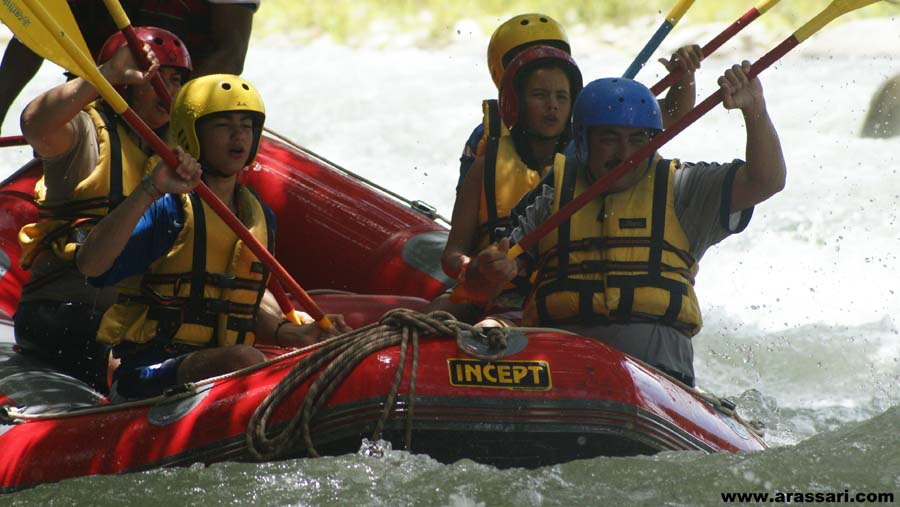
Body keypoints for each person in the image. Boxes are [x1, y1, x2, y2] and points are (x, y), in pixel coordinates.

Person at [464, 63, 786, 386]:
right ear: (583, 141)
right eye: (609, 139)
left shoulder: (683, 190)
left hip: (658, 374)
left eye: (637, 140)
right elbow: (484, 287)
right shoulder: (550, 200)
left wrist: (755, 111)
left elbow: (766, 181)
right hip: (561, 370)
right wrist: (487, 271)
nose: (625, 154)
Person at [75, 74, 350, 400]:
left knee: (311, 363)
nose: (238, 135)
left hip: (218, 369)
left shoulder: (258, 215)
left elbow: (236, 304)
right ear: (192, 134)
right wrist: (150, 189)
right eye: (223, 125)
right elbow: (91, 266)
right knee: (244, 359)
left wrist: (292, 333)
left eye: (246, 126)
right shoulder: (170, 206)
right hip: (148, 371)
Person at [14, 28, 192, 393]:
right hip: (61, 310)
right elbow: (35, 123)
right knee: (132, 361)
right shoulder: (85, 132)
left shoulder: (174, 154)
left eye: (176, 80)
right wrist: (107, 74)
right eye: (157, 78)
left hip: (130, 316)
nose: (168, 90)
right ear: (126, 83)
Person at [456, 13, 702, 190]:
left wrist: (684, 74)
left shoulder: (588, 115)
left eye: (551, 54)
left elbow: (673, 114)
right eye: (539, 93)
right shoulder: (486, 141)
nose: (542, 63)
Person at [438, 46, 582, 322]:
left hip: (556, 298)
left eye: (562, 97)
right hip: (491, 293)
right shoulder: (485, 166)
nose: (552, 105)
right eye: (539, 95)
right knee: (435, 315)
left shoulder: (586, 168)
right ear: (516, 104)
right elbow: (451, 254)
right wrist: (473, 267)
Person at [0, 0, 259, 132]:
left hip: (174, 106)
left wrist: (176, 121)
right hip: (91, 96)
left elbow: (231, 53)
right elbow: (32, 35)